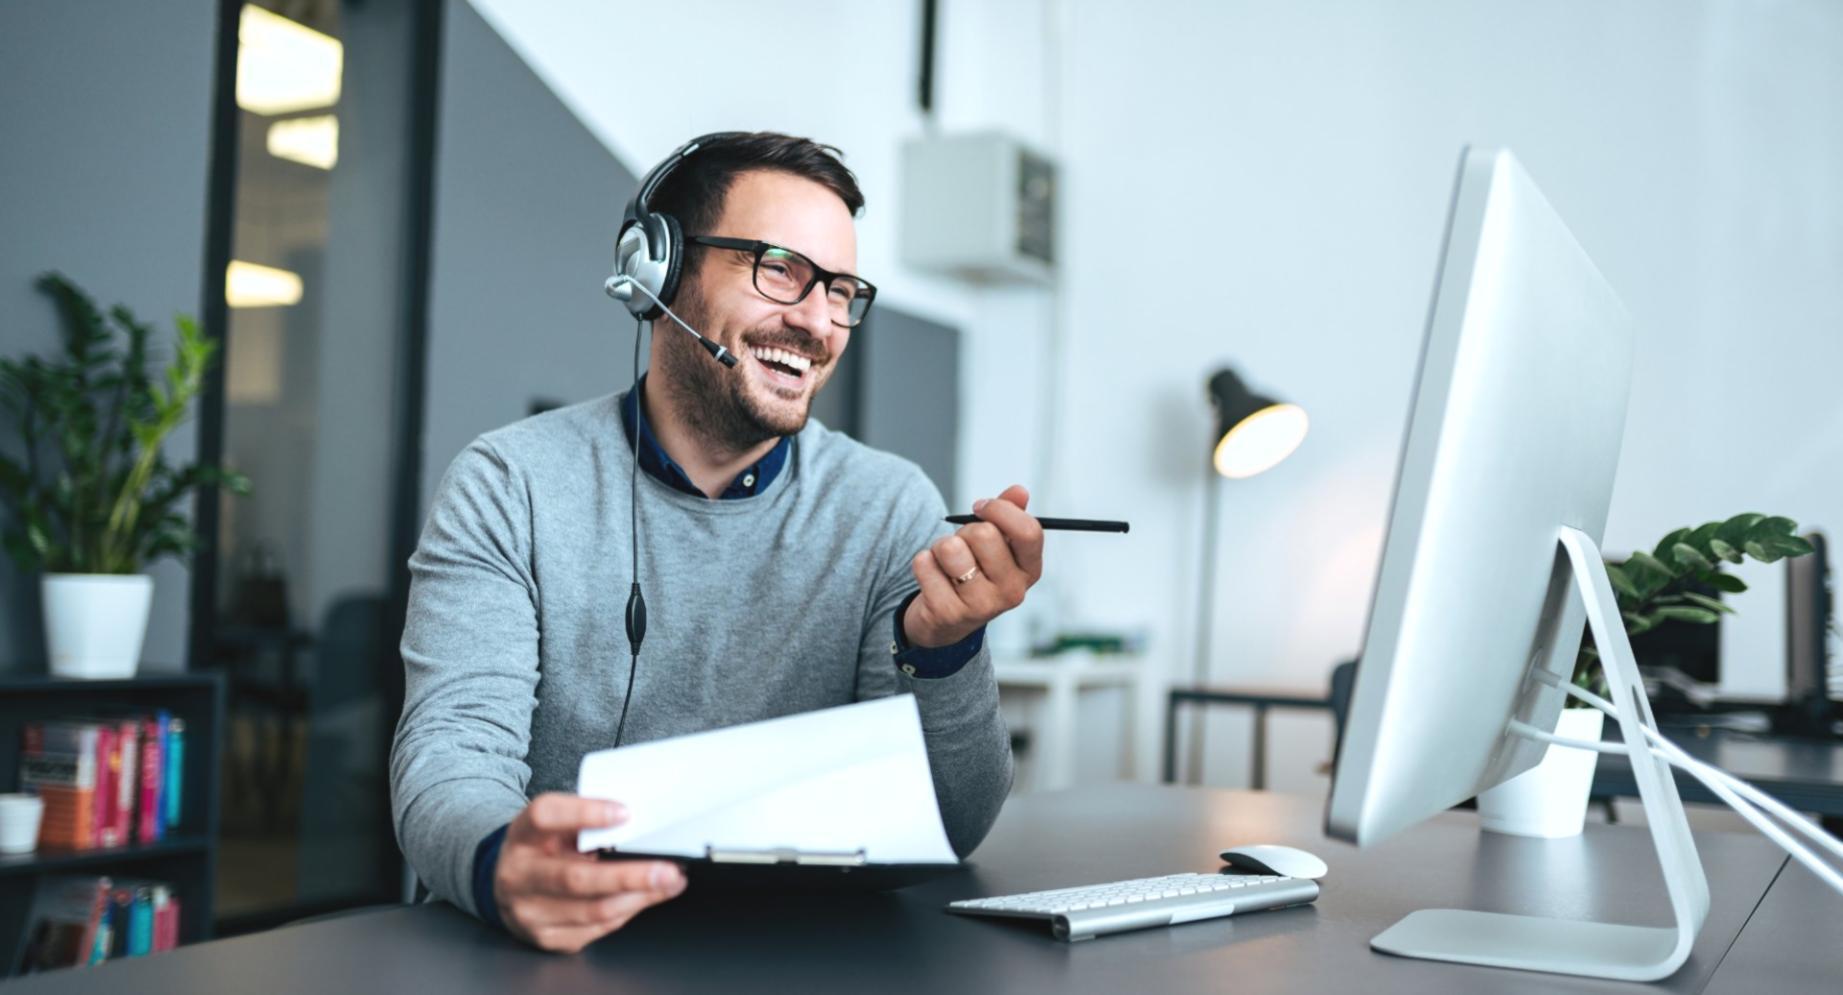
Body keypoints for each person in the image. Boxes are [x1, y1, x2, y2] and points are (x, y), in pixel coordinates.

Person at [390, 132, 1044, 953]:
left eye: (840, 289)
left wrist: (943, 652)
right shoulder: (509, 483)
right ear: (657, 273)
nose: (817, 321)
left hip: (801, 956)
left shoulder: (889, 506)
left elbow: (947, 824)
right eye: (780, 268)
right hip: (561, 947)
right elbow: (451, 756)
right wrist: (501, 864)